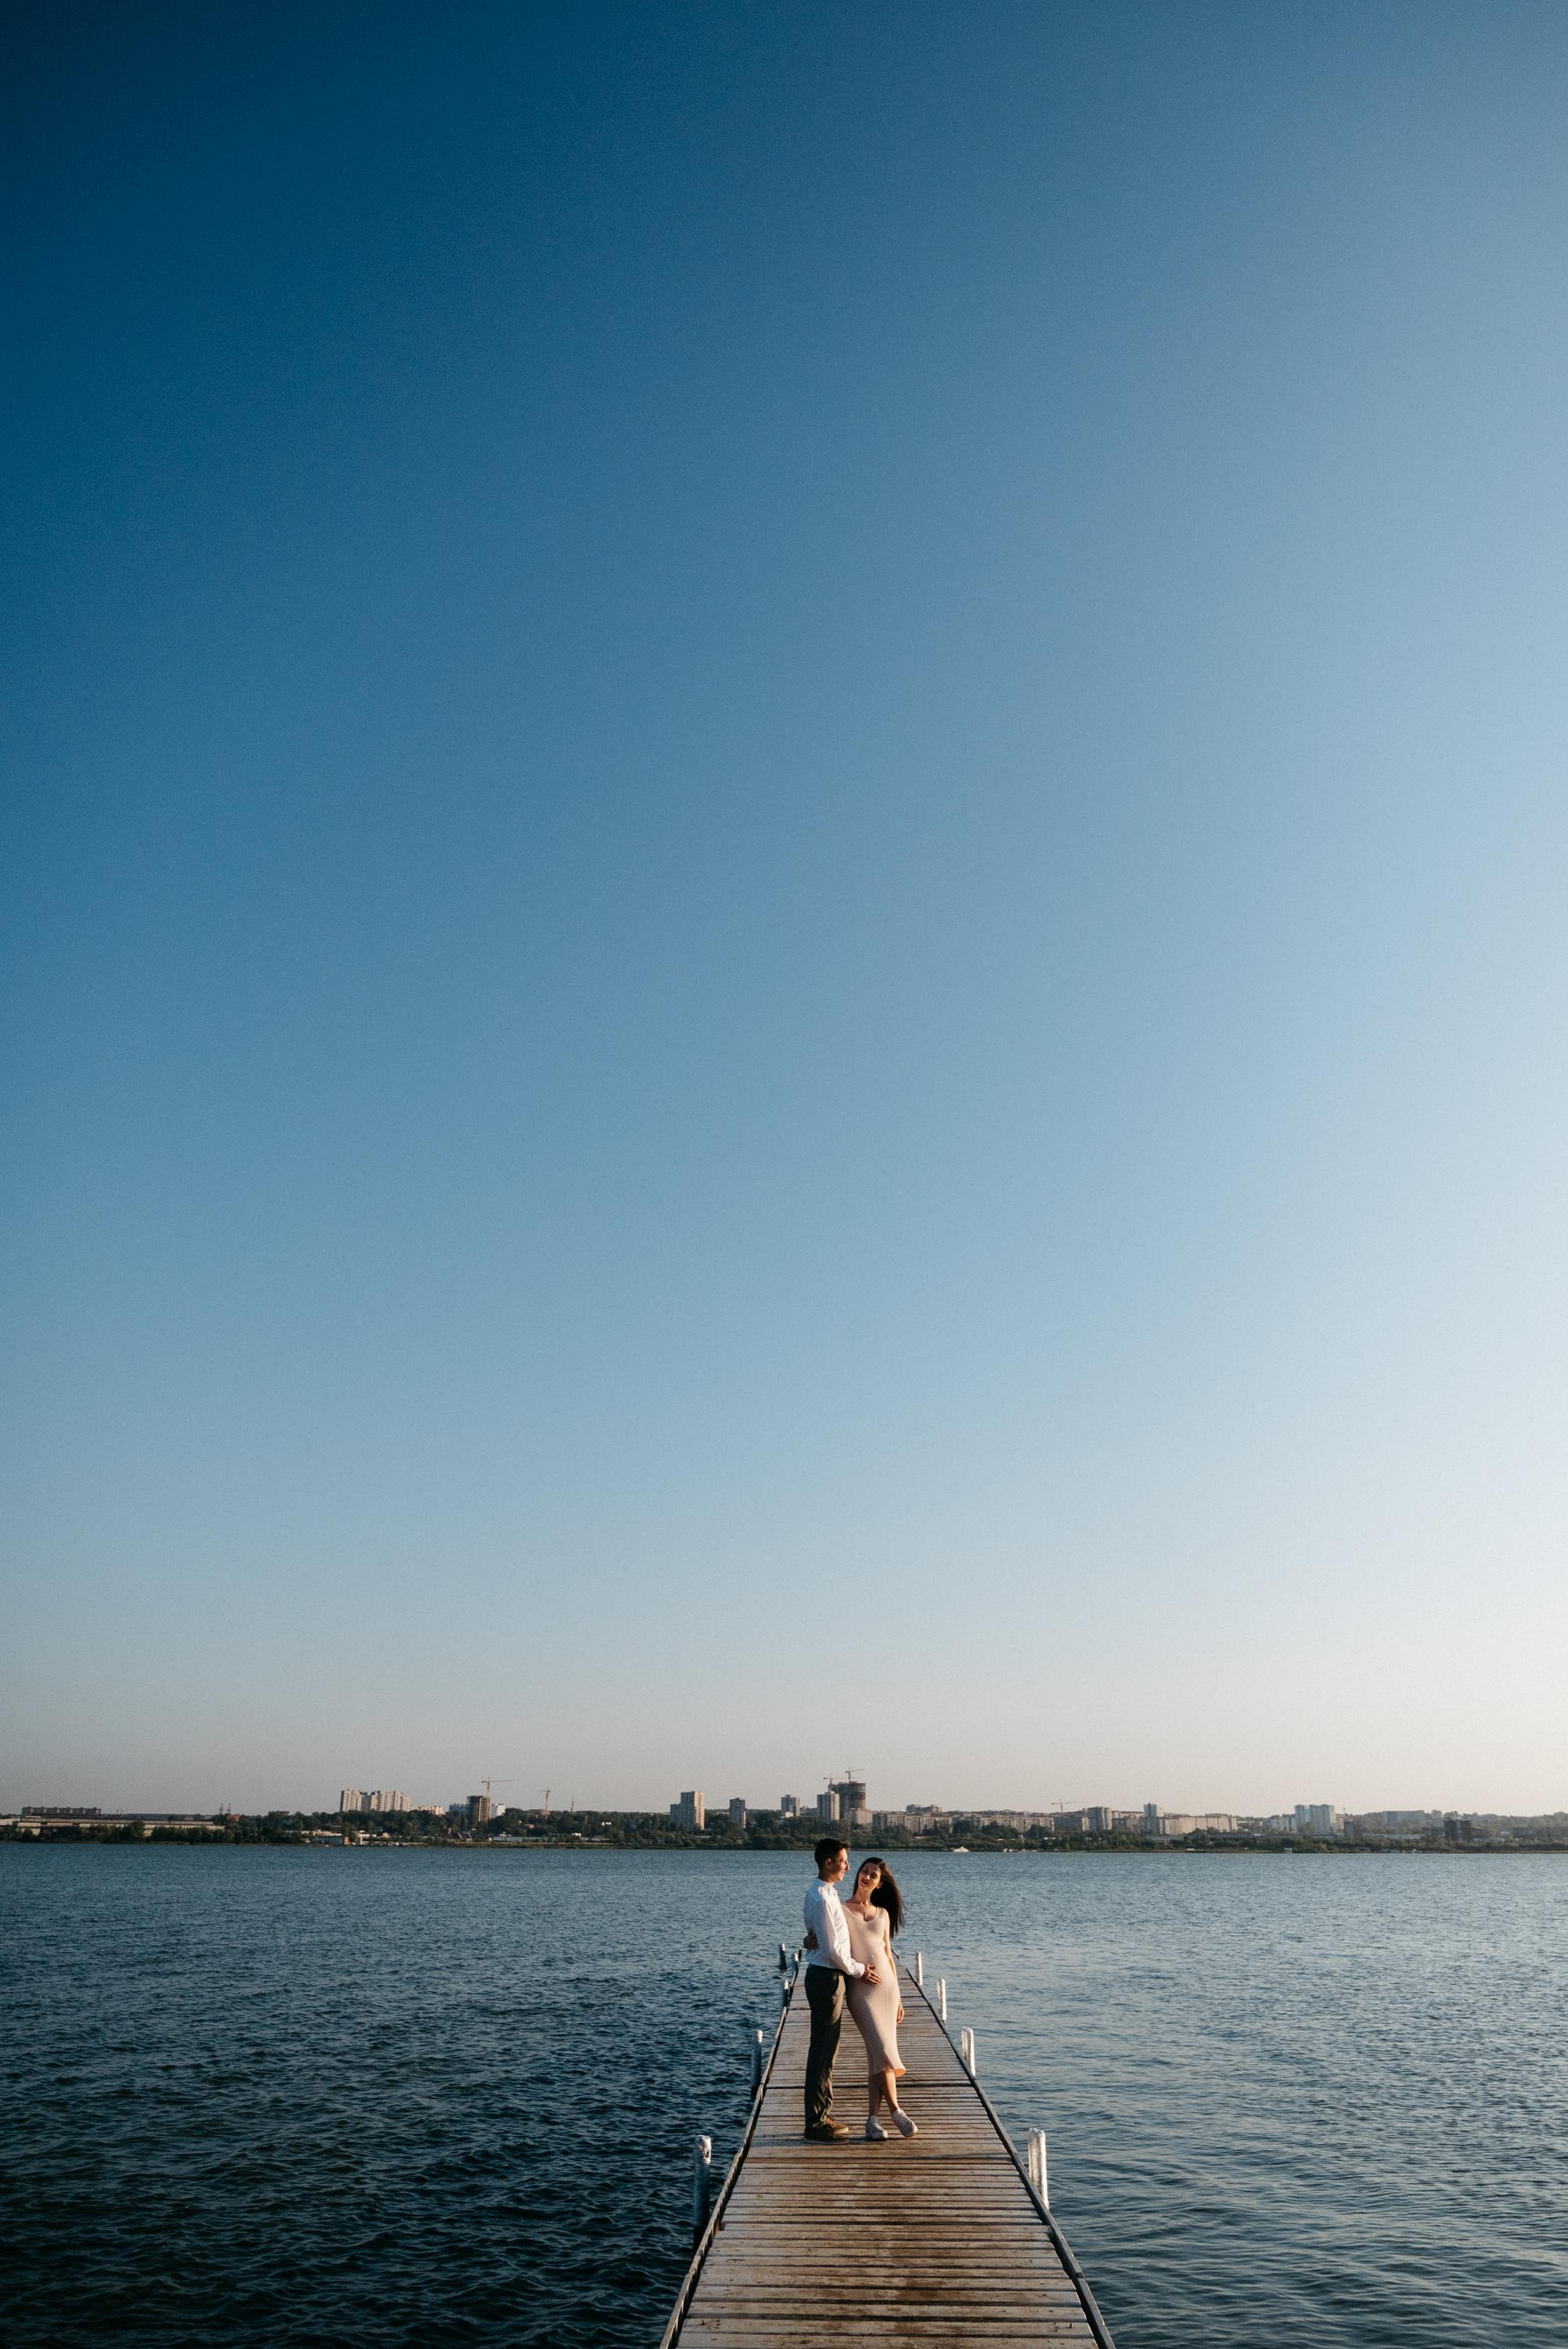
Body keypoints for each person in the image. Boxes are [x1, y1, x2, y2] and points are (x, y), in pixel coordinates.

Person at [800, 1836, 877, 2141]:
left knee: (826, 2050)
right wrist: (860, 1970)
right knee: (823, 2051)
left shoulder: (827, 1894)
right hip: (827, 1977)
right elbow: (831, 1950)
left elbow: (818, 1938)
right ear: (828, 1862)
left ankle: (821, 2115)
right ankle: (816, 2122)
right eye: (844, 1860)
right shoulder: (820, 1897)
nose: (848, 1866)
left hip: (828, 1975)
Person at [842, 1856, 918, 2139]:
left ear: (879, 1882)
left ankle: (872, 2121)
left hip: (887, 1990)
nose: (866, 1877)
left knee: (876, 2056)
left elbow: (887, 1956)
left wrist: (898, 1997)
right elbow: (835, 1947)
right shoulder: (841, 1909)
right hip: (860, 1990)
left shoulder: (883, 1914)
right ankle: (896, 2110)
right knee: (884, 2052)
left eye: (873, 1875)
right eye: (864, 1871)